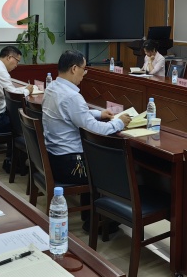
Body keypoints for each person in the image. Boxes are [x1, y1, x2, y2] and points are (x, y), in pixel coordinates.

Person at [42, 50, 131, 231]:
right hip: (72, 166)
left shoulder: (52, 88)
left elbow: (74, 114)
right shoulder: (72, 96)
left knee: (97, 158)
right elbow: (95, 129)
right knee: (115, 165)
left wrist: (98, 113)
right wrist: (119, 123)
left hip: (55, 159)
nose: (85, 74)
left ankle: (91, 215)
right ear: (74, 68)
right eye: (84, 69)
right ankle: (98, 221)